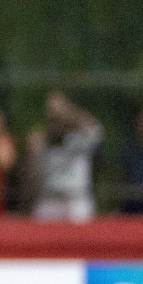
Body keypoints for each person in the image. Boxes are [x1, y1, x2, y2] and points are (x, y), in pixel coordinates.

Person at [27, 91, 103, 222]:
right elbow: (31, 173)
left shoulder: (79, 139)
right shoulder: (40, 139)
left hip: (75, 200)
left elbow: (97, 132)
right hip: (48, 199)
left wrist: (67, 110)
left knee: (81, 241)